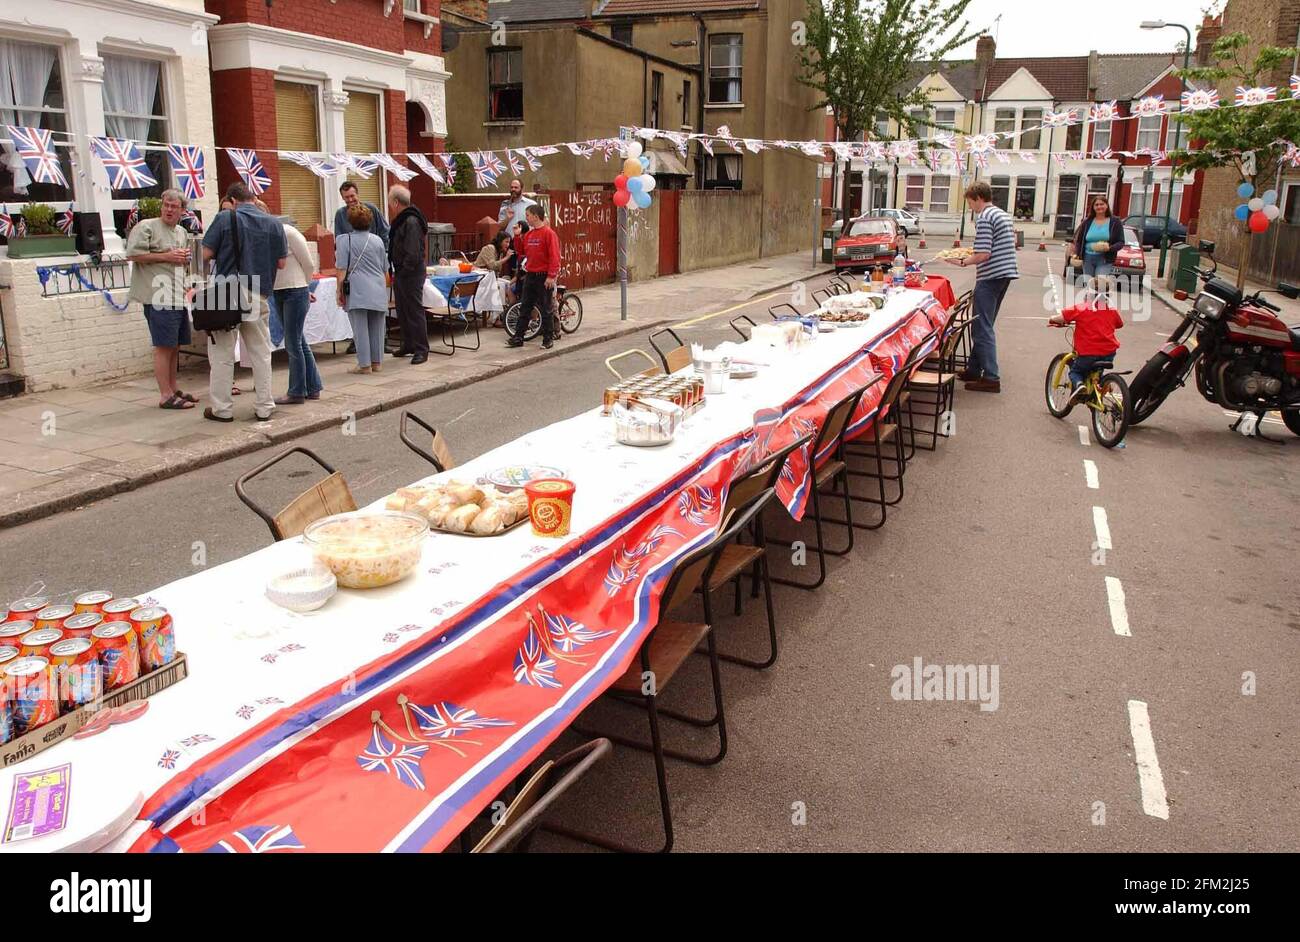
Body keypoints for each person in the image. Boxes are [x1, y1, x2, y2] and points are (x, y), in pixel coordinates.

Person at [200, 181, 287, 422]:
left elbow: (204, 254)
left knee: (222, 354)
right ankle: (264, 406)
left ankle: (222, 409)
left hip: (224, 291)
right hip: (258, 290)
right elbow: (281, 263)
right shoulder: (274, 223)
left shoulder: (225, 218)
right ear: (252, 198)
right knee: (260, 352)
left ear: (233, 200)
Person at [945, 180, 1018, 393]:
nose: (970, 208)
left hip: (991, 275)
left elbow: (984, 254)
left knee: (981, 327)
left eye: (970, 203)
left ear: (978, 198)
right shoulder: (1002, 214)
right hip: (1005, 273)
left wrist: (961, 261)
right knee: (984, 323)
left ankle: (991, 377)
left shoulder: (985, 217)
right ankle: (974, 369)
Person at [126, 188, 193, 409]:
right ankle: (165, 395)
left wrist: (184, 261)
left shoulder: (182, 232)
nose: (169, 210)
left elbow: (180, 259)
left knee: (174, 345)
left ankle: (173, 389)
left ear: (183, 210)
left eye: (174, 207)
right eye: (166, 205)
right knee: (163, 346)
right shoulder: (147, 227)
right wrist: (166, 256)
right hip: (157, 296)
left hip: (176, 294)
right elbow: (133, 254)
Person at [335, 203, 390, 375]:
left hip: (357, 288)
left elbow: (341, 270)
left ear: (350, 222)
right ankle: (377, 362)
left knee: (360, 329)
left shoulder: (344, 240)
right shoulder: (378, 240)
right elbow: (384, 268)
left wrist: (339, 292)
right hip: (378, 287)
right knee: (377, 327)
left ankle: (364, 365)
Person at [273, 220, 323, 404]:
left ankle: (296, 391)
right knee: (298, 340)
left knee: (293, 343)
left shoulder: (289, 233)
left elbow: (308, 264)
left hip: (295, 289)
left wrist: (305, 285)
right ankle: (313, 386)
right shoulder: (265, 235)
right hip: (279, 290)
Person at [1049, 276, 1124, 398]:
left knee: (1075, 371)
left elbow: (1061, 317)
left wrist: (1052, 319)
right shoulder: (1111, 310)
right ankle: (1100, 384)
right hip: (1109, 353)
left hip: (1088, 353)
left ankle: (1079, 385)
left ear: (1088, 293)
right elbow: (1120, 324)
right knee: (1098, 369)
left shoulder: (1081, 308)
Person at [508, 202, 560, 350]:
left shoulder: (549, 234)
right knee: (525, 306)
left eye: (528, 216)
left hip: (543, 275)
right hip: (530, 275)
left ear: (536, 217)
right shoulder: (529, 234)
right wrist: (517, 236)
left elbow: (555, 256)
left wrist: (551, 276)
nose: (526, 218)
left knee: (546, 308)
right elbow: (521, 250)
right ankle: (518, 337)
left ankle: (548, 338)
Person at [387, 184, 429, 364]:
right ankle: (409, 343)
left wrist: (403, 269)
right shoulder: (404, 219)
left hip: (410, 272)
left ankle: (421, 348)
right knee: (402, 310)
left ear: (396, 202)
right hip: (402, 270)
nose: (389, 206)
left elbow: (412, 251)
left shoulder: (411, 221)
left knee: (413, 309)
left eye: (390, 202)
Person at [1070, 195, 1125, 283]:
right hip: (1087, 258)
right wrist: (1076, 253)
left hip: (1104, 259)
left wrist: (1109, 248)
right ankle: (1089, 296)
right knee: (1089, 284)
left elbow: (1121, 242)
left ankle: (1101, 296)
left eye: (1102, 204)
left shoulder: (1115, 222)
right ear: (1093, 207)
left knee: (1100, 284)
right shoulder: (1087, 222)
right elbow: (1079, 241)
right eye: (1096, 205)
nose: (1099, 207)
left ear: (1106, 205)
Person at [334, 181, 390, 249]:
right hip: (353, 255)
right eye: (347, 197)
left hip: (373, 251)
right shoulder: (340, 214)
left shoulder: (371, 209)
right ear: (342, 198)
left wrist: (384, 251)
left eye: (352, 196)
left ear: (357, 194)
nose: (350, 200)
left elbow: (385, 231)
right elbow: (339, 239)